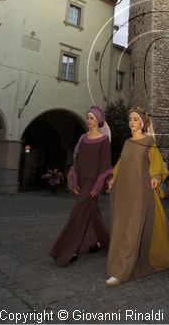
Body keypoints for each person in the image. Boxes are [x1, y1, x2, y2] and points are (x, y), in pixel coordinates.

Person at [106, 106, 169, 286]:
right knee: (122, 226)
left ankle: (120, 271)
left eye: (136, 119)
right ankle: (126, 261)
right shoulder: (127, 142)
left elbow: (157, 164)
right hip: (123, 191)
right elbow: (121, 163)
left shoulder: (149, 141)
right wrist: (113, 178)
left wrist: (156, 177)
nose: (132, 123)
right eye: (130, 119)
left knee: (132, 228)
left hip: (140, 190)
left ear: (142, 122)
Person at [49, 106, 112, 266]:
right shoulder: (83, 138)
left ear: (98, 120)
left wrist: (98, 186)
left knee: (76, 213)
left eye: (91, 118)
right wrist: (74, 181)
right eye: (87, 117)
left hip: (92, 182)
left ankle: (70, 250)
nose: (88, 120)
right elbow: (76, 163)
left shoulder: (104, 140)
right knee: (92, 213)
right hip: (81, 181)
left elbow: (105, 166)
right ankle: (96, 243)